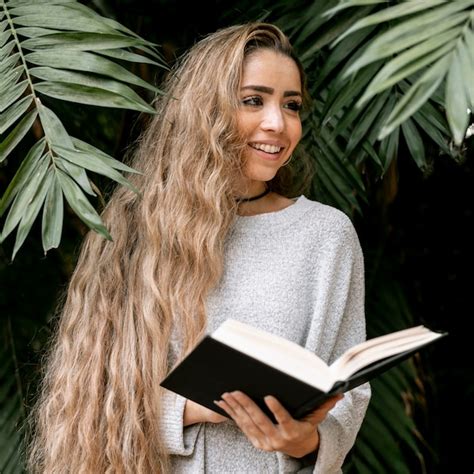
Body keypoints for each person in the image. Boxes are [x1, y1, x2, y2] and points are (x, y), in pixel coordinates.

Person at [28, 22, 370, 473]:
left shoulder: (325, 235)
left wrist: (309, 440)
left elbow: (348, 396)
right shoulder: (138, 228)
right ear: (204, 111)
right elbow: (87, 399)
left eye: (292, 105)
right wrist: (194, 407)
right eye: (253, 100)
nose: (278, 122)